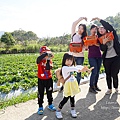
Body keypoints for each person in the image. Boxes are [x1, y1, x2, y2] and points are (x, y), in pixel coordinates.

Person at [55, 53, 94, 119]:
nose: (69, 62)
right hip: (68, 85)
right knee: (66, 98)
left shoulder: (71, 67)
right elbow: (76, 68)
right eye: (67, 60)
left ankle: (72, 110)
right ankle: (58, 110)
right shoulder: (65, 68)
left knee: (72, 98)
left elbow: (77, 67)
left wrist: (86, 69)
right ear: (64, 60)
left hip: (73, 84)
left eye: (71, 60)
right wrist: (82, 69)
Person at [91, 17, 120, 95]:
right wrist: (103, 43)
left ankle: (116, 88)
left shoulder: (112, 33)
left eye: (103, 28)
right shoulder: (100, 39)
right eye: (99, 29)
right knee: (108, 74)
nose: (101, 30)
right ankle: (109, 89)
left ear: (106, 29)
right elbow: (103, 49)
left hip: (116, 57)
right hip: (107, 59)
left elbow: (109, 26)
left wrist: (99, 19)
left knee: (114, 74)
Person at [36, 46, 56, 115]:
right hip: (41, 79)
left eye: (46, 53)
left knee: (49, 92)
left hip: (48, 79)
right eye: (43, 53)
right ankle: (40, 106)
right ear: (40, 54)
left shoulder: (49, 61)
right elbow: (37, 60)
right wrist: (45, 54)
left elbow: (48, 68)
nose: (45, 55)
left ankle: (50, 104)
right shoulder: (40, 60)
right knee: (40, 93)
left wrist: (48, 59)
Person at [71, 17, 87, 85]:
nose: (80, 30)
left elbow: (85, 47)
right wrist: (82, 18)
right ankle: (69, 85)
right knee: (70, 71)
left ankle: (77, 85)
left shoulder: (84, 38)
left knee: (79, 71)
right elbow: (74, 24)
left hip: (80, 56)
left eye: (82, 29)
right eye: (79, 28)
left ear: (84, 30)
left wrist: (79, 51)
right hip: (72, 56)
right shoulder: (74, 34)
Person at [88, 25, 102, 94]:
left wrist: (97, 44)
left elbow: (102, 44)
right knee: (94, 71)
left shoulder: (98, 37)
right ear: (90, 30)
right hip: (91, 56)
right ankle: (91, 86)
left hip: (99, 56)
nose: (94, 30)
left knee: (97, 72)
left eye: (95, 29)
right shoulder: (88, 38)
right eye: (93, 29)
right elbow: (85, 46)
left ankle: (95, 85)